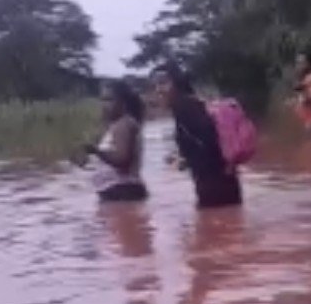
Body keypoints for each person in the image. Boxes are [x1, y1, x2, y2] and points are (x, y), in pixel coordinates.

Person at [152, 64, 243, 210]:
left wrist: (185, 160)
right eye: (155, 85)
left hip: (214, 187)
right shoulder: (193, 104)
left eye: (163, 83)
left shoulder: (184, 107)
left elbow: (209, 146)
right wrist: (184, 160)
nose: (158, 89)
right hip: (223, 183)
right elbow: (207, 144)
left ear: (177, 83)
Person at [79, 80, 148, 203]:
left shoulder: (125, 124)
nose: (104, 104)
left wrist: (96, 151)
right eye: (103, 100)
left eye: (110, 100)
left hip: (123, 191)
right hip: (117, 191)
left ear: (123, 103)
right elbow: (108, 161)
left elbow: (121, 159)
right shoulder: (116, 125)